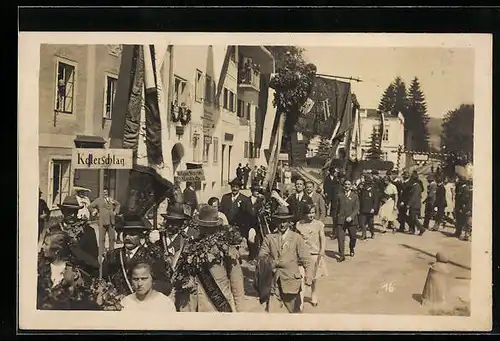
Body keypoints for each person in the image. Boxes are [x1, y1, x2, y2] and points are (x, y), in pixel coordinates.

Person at [173, 205, 246, 312]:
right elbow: (179, 279)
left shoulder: (226, 248)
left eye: (209, 227)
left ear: (216, 227)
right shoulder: (190, 247)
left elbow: (237, 285)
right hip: (191, 307)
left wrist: (240, 314)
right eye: (203, 226)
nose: (206, 230)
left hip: (216, 308)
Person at [258, 205, 313, 313]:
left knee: (295, 314)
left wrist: (309, 276)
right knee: (272, 316)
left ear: (289, 222)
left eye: (284, 221)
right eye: (279, 221)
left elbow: (307, 259)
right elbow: (261, 257)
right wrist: (272, 263)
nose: (282, 224)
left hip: (291, 281)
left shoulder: (296, 238)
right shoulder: (269, 238)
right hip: (273, 282)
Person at [101, 216, 173, 297]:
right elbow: (103, 280)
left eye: (132, 234)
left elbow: (165, 285)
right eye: (125, 234)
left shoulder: (152, 256)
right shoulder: (111, 256)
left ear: (140, 236)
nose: (127, 237)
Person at [37, 230, 100, 310]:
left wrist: (75, 249)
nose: (42, 247)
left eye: (46, 244)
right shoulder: (40, 266)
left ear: (57, 250)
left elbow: (95, 265)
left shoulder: (72, 271)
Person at [45, 195, 99, 277]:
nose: (73, 215)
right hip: (56, 276)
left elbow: (94, 261)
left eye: (75, 211)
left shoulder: (88, 231)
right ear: (63, 211)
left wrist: (76, 250)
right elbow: (46, 258)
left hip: (81, 276)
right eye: (69, 211)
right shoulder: (53, 231)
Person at [295, 205, 327, 309]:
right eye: (309, 213)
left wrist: (322, 250)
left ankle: (313, 295)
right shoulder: (299, 224)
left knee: (313, 278)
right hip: (303, 256)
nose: (311, 215)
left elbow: (322, 238)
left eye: (313, 212)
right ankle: (300, 301)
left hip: (315, 255)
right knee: (302, 278)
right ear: (304, 214)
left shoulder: (319, 224)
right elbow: (296, 239)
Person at [219, 178, 252, 244]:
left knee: (236, 245)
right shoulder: (225, 197)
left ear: (239, 188)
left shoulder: (245, 199)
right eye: (233, 187)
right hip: (226, 227)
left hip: (238, 228)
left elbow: (246, 216)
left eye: (236, 187)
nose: (234, 189)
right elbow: (221, 212)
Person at [334, 180, 360, 262]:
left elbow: (357, 208)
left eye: (349, 184)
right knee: (340, 238)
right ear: (343, 186)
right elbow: (336, 208)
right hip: (341, 220)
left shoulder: (355, 196)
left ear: (351, 186)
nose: (347, 186)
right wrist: (336, 219)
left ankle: (351, 248)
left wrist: (351, 217)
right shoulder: (339, 196)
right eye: (345, 184)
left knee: (353, 237)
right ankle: (342, 255)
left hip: (351, 221)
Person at [89, 188, 121, 253]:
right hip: (102, 221)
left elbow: (118, 204)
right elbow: (90, 206)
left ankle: (111, 251)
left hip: (111, 221)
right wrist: (95, 212)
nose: (105, 193)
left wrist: (115, 212)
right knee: (102, 239)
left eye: (106, 192)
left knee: (112, 238)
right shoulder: (98, 200)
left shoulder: (110, 199)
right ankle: (102, 251)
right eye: (104, 192)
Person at [247, 184, 266, 262]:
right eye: (255, 191)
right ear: (252, 191)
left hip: (258, 224)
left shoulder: (261, 200)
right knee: (250, 240)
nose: (257, 192)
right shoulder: (247, 200)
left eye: (258, 191)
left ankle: (256, 257)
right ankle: (251, 255)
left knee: (258, 240)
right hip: (249, 223)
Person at [407, 171, 425, 236]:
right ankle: (413, 230)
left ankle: (421, 228)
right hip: (415, 204)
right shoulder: (416, 186)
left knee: (414, 218)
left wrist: (409, 204)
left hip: (415, 205)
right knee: (412, 218)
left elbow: (414, 197)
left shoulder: (416, 187)